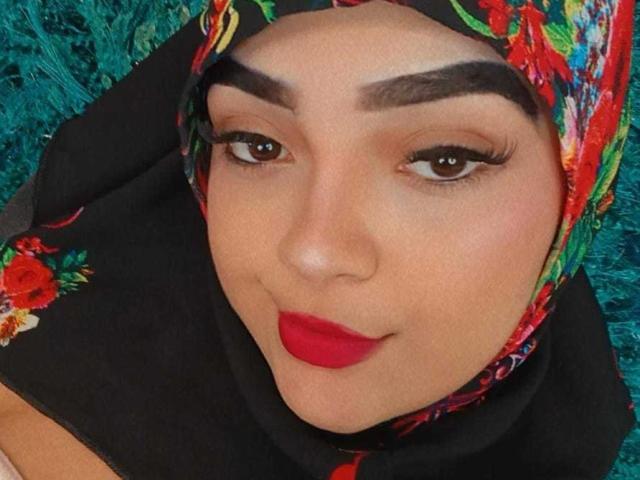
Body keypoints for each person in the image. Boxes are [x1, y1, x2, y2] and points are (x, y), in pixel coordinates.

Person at [0, 0, 636, 478]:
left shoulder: (567, 397)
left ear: (582, 177)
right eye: (256, 144)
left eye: (444, 160)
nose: (313, 252)